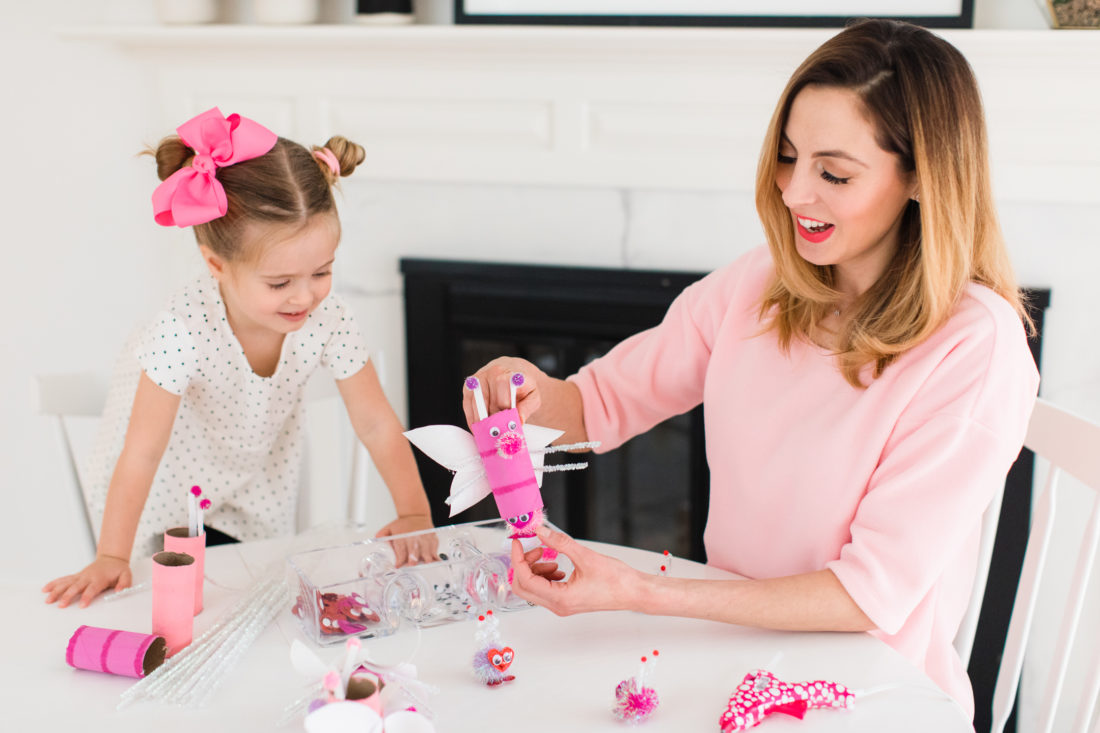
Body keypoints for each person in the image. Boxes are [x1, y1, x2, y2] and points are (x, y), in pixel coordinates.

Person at [464, 19, 1039, 719]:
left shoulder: (975, 346)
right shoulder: (758, 286)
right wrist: (530, 393)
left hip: (867, 695)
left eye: (834, 172)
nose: (796, 193)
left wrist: (641, 591)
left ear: (921, 175)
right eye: (788, 157)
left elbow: (865, 595)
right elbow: (600, 404)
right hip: (727, 656)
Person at [44, 108, 434, 609]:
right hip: (164, 498)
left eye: (322, 271)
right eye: (279, 283)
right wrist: (111, 555)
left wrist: (414, 513)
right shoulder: (181, 328)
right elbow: (141, 452)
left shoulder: (329, 317)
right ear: (216, 265)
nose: (305, 297)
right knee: (183, 608)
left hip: (254, 491)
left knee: (255, 605)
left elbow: (377, 424)